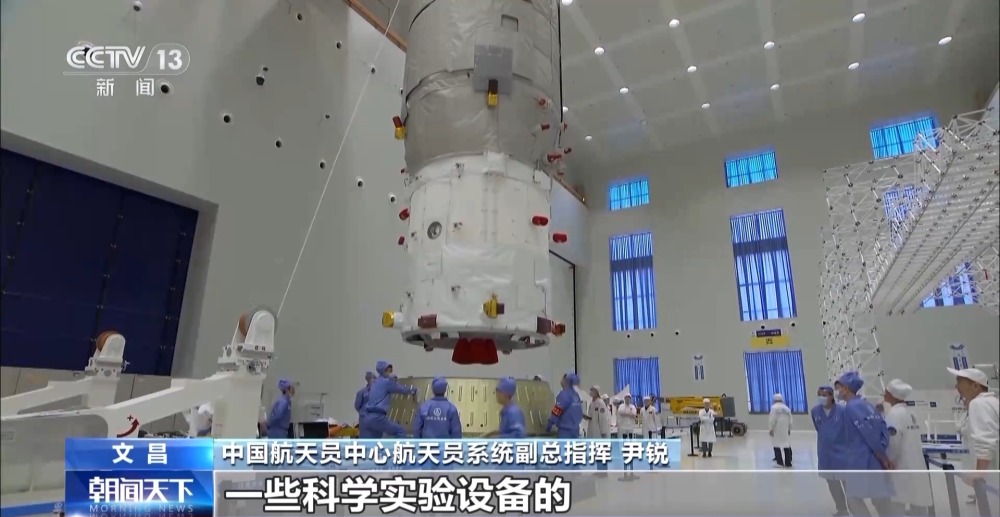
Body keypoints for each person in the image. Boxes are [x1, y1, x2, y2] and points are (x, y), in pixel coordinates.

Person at [835, 371, 895, 517]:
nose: (837, 391)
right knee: (880, 498)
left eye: (839, 387)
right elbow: (883, 428)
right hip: (874, 458)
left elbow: (868, 433)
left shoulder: (851, 408)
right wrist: (883, 452)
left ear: (846, 388)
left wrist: (881, 456)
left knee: (853, 498)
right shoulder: (867, 405)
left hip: (861, 459)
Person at [948, 367, 999, 510]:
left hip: (991, 477)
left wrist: (979, 473)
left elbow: (986, 441)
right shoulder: (992, 402)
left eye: (960, 382)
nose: (956, 386)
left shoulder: (979, 404)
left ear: (975, 386)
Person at [882, 379, 932, 516]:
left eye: (886, 392)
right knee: (919, 501)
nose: (884, 394)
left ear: (892, 395)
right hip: (917, 463)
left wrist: (889, 461)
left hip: (900, 465)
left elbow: (893, 442)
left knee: (897, 503)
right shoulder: (913, 412)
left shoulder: (894, 414)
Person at [811, 385, 849, 517]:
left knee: (847, 482)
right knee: (832, 483)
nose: (821, 397)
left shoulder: (842, 411)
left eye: (824, 395)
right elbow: (819, 428)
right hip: (825, 453)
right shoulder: (815, 411)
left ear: (831, 396)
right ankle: (842, 509)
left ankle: (855, 508)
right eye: (819, 395)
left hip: (842, 452)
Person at [361, 360, 417, 438]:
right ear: (385, 369)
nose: (390, 372)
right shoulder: (387, 382)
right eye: (389, 370)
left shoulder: (375, 382)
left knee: (375, 440)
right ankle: (401, 446)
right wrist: (413, 390)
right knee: (400, 431)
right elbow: (401, 390)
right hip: (378, 417)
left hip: (367, 417)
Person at [546, 372, 583, 438]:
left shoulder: (564, 395)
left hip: (565, 430)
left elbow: (557, 411)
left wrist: (549, 425)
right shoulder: (575, 395)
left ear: (566, 381)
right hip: (575, 429)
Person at [769, 393, 793, 468]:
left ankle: (779, 462)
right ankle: (788, 462)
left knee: (776, 444)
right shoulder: (787, 408)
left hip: (777, 429)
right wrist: (789, 429)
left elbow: (772, 419)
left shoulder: (774, 408)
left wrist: (771, 429)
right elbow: (791, 420)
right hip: (785, 429)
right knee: (786, 444)